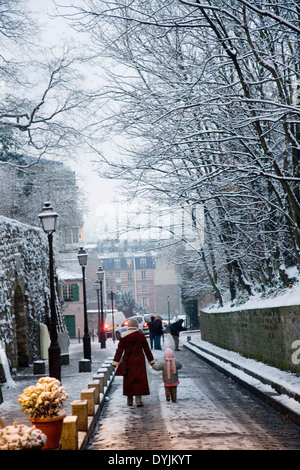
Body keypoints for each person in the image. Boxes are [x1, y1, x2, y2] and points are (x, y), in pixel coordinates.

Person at [112, 318, 155, 407]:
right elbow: (147, 349)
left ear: (128, 326)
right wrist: (151, 361)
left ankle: (129, 400)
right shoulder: (141, 335)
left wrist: (115, 362)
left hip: (128, 360)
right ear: (136, 326)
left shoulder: (123, 336)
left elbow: (119, 350)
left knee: (129, 380)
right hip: (139, 360)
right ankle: (138, 400)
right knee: (139, 379)